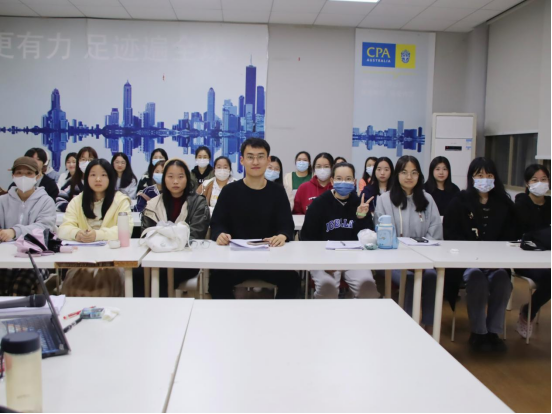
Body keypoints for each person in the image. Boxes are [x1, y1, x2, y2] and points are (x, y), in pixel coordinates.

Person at [210, 138, 300, 300]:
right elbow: (217, 223)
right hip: (236, 258)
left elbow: (287, 225)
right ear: (242, 160)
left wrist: (282, 236)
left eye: (260, 157)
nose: (255, 162)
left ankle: (278, 315)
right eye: (250, 157)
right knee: (217, 281)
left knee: (292, 281)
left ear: (268, 160)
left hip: (270, 258)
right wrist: (220, 234)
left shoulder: (278, 192)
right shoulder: (230, 191)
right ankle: (230, 315)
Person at [444, 157, 518, 352]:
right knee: (476, 278)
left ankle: (493, 332)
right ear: (471, 178)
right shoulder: (459, 202)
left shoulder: (504, 204)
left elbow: (512, 236)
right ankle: (478, 332)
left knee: (502, 280)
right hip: (466, 263)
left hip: (496, 263)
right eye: (479, 175)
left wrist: (496, 259)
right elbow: (450, 234)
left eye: (489, 175)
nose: (484, 179)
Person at [375, 156, 442, 330]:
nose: (409, 177)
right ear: (397, 174)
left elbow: (435, 231)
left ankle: (429, 325)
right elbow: (382, 234)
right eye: (404, 172)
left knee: (431, 276)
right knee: (410, 278)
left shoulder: (427, 199)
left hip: (423, 259)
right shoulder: (384, 199)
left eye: (414, 172)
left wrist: (420, 257)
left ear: (419, 175)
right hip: (393, 261)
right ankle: (408, 326)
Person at [301, 163, 379, 299]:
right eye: (339, 178)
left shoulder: (359, 204)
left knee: (368, 289)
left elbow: (368, 239)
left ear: (354, 181)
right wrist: (321, 262)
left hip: (354, 259)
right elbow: (307, 238)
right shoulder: (319, 204)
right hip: (324, 259)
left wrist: (361, 217)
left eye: (348, 179)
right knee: (328, 289)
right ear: (332, 181)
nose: (344, 182)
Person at [58, 159, 134, 297]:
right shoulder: (77, 201)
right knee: (76, 281)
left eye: (103, 175)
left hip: (111, 260)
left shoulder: (120, 200)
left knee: (105, 282)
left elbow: (125, 230)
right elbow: (63, 229)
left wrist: (97, 235)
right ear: (86, 178)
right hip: (81, 260)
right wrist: (77, 233)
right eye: (93, 175)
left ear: (110, 178)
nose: (98, 179)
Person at [142, 159, 211, 297]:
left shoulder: (198, 203)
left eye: (180, 177)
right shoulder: (153, 204)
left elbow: (196, 235)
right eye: (170, 176)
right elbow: (147, 235)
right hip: (157, 257)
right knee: (138, 273)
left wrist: (167, 242)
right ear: (164, 179)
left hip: (187, 259)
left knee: (162, 275)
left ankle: (164, 308)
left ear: (187, 178)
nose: (175, 181)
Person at [0, 157, 57, 296]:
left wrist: (14, 231)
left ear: (37, 176)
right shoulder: (2, 201)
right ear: (13, 175)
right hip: (5, 257)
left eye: (29, 173)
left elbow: (44, 228)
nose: (23, 177)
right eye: (19, 173)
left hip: (37, 258)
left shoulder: (46, 201)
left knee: (19, 289)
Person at [514, 164, 551, 339]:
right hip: (525, 258)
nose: (540, 183)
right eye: (535, 180)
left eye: (544, 179)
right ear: (527, 183)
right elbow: (523, 234)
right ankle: (529, 311)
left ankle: (529, 309)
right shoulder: (521, 204)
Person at [57, 147, 98, 212]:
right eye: (83, 159)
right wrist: (74, 209)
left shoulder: (100, 181)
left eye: (90, 160)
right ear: (78, 162)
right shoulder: (73, 182)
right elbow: (59, 200)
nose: (87, 163)